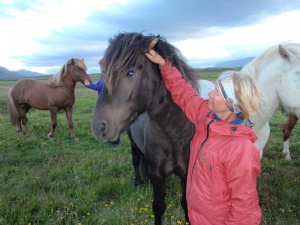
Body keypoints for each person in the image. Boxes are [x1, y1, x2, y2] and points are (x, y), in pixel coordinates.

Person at [145, 49, 262, 225]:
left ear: (231, 106)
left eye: (216, 93)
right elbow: (184, 93)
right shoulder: (205, 117)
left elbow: (245, 209)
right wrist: (164, 65)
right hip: (196, 215)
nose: (209, 94)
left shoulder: (241, 150)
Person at [84, 78, 122, 147]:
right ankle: (108, 139)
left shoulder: (108, 77)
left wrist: (89, 85)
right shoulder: (103, 77)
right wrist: (88, 85)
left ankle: (116, 142)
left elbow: (100, 87)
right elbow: (98, 85)